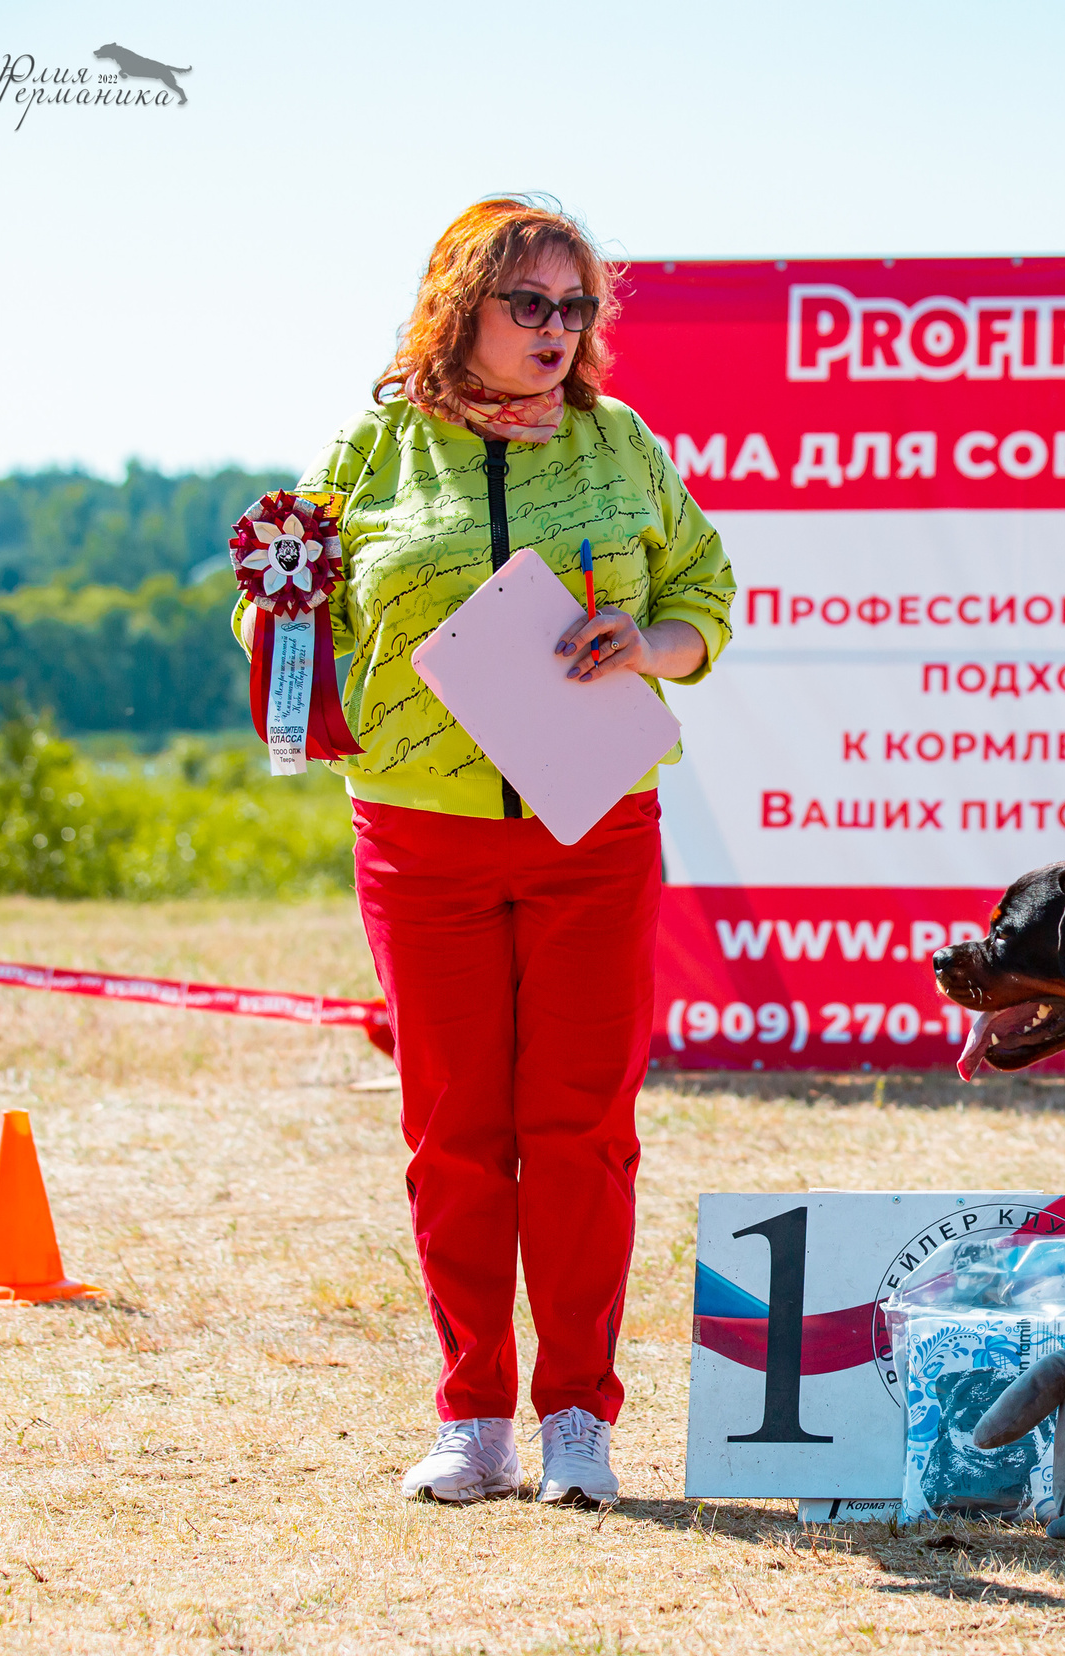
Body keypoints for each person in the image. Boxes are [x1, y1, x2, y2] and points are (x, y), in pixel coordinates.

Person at [235, 198, 734, 1506]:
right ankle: (474, 1420)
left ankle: (577, 1414)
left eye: (578, 308)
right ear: (465, 307)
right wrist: (276, 620)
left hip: (595, 832)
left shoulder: (618, 444)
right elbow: (292, 601)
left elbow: (704, 596)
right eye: (534, 306)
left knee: (581, 1132)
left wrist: (651, 645)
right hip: (419, 842)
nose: (560, 332)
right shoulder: (377, 442)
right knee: (454, 1134)